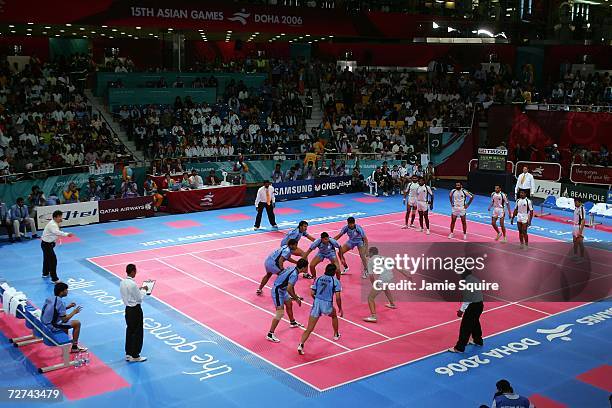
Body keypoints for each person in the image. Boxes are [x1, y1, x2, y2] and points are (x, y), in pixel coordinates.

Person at [297, 264, 343, 355]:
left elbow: (312, 293)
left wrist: (317, 300)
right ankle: (336, 334)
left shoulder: (318, 278)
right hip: (327, 305)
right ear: (334, 272)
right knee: (334, 316)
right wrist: (340, 308)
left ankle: (301, 344)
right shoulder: (335, 281)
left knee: (309, 328)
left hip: (317, 304)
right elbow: (338, 297)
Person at [266, 259, 309, 343]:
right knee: (280, 313)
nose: (307, 268)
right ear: (303, 268)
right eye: (306, 267)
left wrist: (295, 295)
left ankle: (292, 322)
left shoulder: (292, 268)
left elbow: (290, 285)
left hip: (283, 290)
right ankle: (270, 334)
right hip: (278, 291)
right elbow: (289, 288)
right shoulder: (294, 275)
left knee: (289, 303)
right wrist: (296, 299)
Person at [40, 282, 87, 353]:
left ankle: (66, 346)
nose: (67, 291)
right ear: (62, 292)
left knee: (66, 325)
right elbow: (64, 320)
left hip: (44, 322)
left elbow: (55, 310)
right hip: (52, 326)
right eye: (66, 290)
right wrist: (74, 312)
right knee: (77, 323)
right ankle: (74, 347)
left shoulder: (50, 298)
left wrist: (68, 307)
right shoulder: (60, 303)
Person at [448, 269, 484, 353]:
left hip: (472, 306)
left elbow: (467, 299)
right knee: (475, 322)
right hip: (480, 305)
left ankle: (459, 347)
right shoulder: (475, 280)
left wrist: (461, 310)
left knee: (465, 327)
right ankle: (478, 340)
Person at [119, 264, 149, 363]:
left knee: (130, 330)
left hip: (128, 309)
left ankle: (128, 353)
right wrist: (144, 290)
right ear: (132, 271)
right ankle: (135, 355)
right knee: (137, 332)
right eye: (135, 271)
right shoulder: (133, 284)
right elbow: (139, 298)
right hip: (135, 309)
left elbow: (131, 294)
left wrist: (139, 290)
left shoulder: (122, 282)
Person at [363, 247, 401, 323]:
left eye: (368, 252)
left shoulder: (370, 261)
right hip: (390, 276)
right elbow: (394, 265)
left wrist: (374, 285)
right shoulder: (384, 257)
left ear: (371, 253)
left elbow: (371, 276)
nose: (367, 253)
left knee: (370, 298)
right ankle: (392, 304)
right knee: (385, 288)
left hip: (383, 278)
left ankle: (373, 316)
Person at [41, 210, 74, 282]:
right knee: (53, 261)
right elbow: (56, 232)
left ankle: (45, 273)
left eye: (61, 217)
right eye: (60, 217)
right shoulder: (53, 225)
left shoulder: (55, 223)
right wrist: (67, 234)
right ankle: (54, 279)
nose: (61, 218)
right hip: (47, 245)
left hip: (48, 244)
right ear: (55, 217)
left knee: (47, 259)